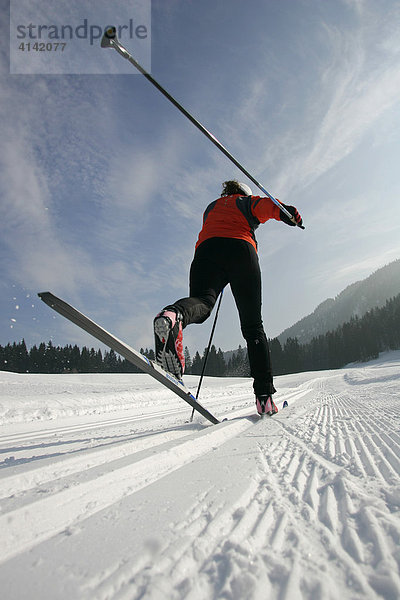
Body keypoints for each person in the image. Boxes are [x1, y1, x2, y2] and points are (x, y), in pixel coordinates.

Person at [153, 180, 303, 416]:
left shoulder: (211, 208)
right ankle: (264, 399)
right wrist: (288, 214)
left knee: (202, 302)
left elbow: (218, 230)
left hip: (205, 253)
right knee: (253, 327)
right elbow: (267, 206)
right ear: (244, 193)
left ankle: (173, 315)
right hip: (241, 251)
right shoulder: (246, 202)